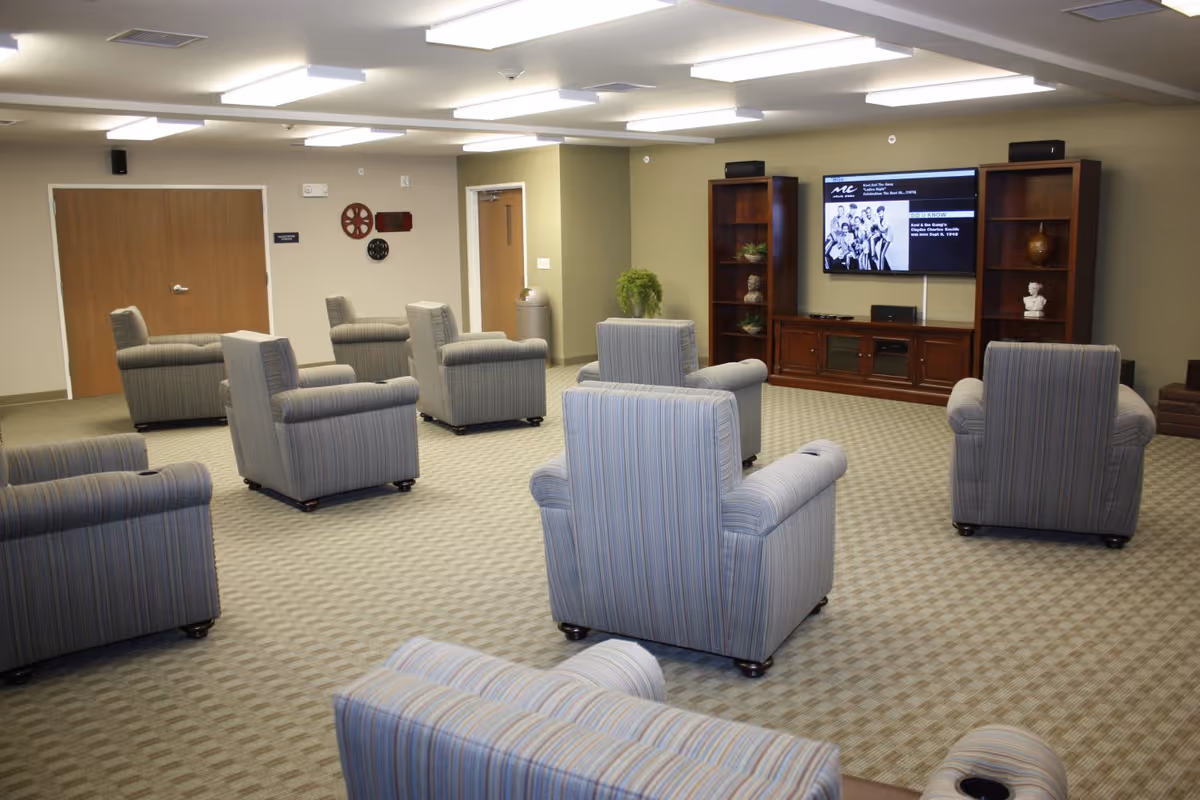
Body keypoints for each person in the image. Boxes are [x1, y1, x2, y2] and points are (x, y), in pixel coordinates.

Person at [874, 205, 894, 271]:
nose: (880, 214)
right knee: (881, 255)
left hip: (887, 239)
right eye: (879, 213)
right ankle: (884, 269)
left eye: (881, 212)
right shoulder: (880, 219)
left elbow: (882, 229)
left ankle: (882, 271)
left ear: (883, 212)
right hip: (884, 238)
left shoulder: (886, 219)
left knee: (882, 255)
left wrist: (877, 224)